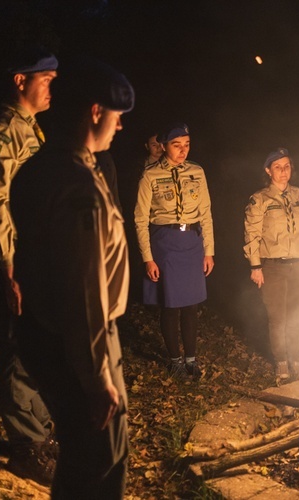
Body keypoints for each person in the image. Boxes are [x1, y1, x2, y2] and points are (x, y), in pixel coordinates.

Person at [9, 57, 134, 499]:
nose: (120, 128)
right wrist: (97, 376)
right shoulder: (79, 187)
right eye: (116, 117)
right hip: (77, 342)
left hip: (46, 332)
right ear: (96, 111)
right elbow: (84, 292)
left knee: (87, 454)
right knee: (100, 456)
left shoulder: (39, 169)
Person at [0, 47, 58, 484]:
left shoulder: (31, 128)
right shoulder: (5, 128)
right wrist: (8, 266)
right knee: (20, 347)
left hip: (36, 258)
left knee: (39, 344)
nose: (52, 86)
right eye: (45, 78)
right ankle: (27, 448)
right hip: (16, 261)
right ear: (20, 80)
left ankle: (39, 433)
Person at [134, 123, 215, 380]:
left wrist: (208, 251)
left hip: (191, 242)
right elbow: (140, 219)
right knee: (170, 305)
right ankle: (174, 360)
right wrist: (148, 257)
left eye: (187, 144)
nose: (183, 150)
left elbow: (206, 214)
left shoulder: (197, 172)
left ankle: (191, 358)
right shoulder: (150, 175)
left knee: (190, 305)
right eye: (177, 145)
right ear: (164, 146)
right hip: (165, 244)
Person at [244, 148, 299, 380]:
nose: (283, 171)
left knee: (297, 316)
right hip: (273, 266)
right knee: (278, 317)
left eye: (287, 166)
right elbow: (251, 234)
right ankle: (282, 363)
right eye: (278, 167)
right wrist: (256, 266)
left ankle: (296, 360)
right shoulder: (260, 199)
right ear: (268, 170)